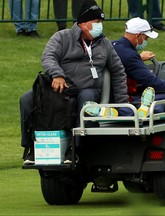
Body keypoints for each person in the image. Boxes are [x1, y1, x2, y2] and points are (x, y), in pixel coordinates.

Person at [21, 0, 129, 165]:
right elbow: (48, 57)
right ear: (83, 24)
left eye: (101, 22)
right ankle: (32, 148)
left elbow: (118, 71)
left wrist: (122, 105)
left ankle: (74, 149)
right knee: (27, 99)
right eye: (96, 22)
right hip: (61, 87)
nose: (100, 26)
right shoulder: (62, 37)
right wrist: (57, 75)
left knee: (86, 97)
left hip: (87, 90)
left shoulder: (105, 43)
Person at [112, 17, 165, 116]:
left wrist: (139, 58)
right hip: (124, 100)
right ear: (138, 35)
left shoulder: (113, 45)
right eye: (146, 38)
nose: (146, 41)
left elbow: (122, 62)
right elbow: (151, 80)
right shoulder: (130, 55)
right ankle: (144, 112)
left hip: (111, 96)